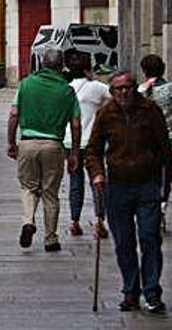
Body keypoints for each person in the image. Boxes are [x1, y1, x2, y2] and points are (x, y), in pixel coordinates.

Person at [87, 71, 172, 314]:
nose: (123, 93)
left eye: (127, 88)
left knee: (149, 237)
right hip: (117, 186)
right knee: (124, 242)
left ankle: (152, 291)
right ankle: (130, 291)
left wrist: (164, 186)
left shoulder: (150, 110)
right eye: (118, 89)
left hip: (147, 184)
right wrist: (97, 172)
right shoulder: (106, 113)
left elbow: (164, 148)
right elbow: (93, 149)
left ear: (135, 88)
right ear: (112, 92)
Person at [7, 48, 81, 252]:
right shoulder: (67, 90)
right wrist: (74, 152)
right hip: (54, 145)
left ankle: (28, 221)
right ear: (61, 66)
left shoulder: (26, 84)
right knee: (50, 193)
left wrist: (11, 142)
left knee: (28, 187)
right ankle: (50, 239)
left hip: (28, 142)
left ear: (42, 63)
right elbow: (75, 124)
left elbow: (14, 114)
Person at [137, 54, 172, 230]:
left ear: (144, 70)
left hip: (146, 140)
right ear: (163, 68)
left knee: (148, 176)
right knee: (165, 177)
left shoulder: (139, 91)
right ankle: (161, 209)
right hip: (171, 139)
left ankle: (149, 209)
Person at [63, 53, 111, 238]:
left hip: (70, 142)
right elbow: (114, 98)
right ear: (87, 70)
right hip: (92, 143)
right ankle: (99, 219)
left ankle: (74, 221)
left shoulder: (67, 88)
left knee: (75, 182)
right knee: (97, 180)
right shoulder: (97, 87)